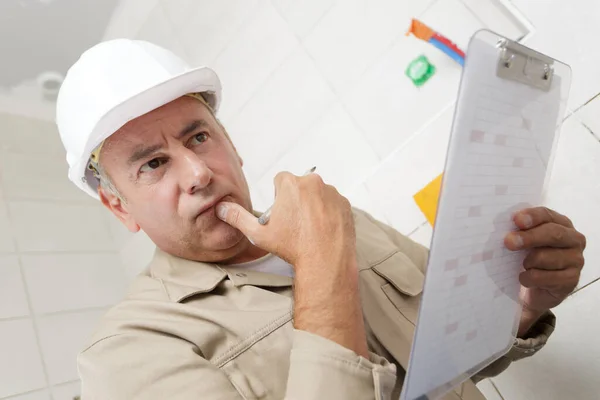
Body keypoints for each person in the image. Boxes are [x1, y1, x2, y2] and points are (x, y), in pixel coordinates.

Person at [56, 40, 586, 400]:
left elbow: (449, 362)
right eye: (153, 163)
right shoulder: (123, 356)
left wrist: (516, 307)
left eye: (199, 136)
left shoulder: (337, 220)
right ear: (118, 206)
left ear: (231, 144)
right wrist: (321, 265)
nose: (197, 172)